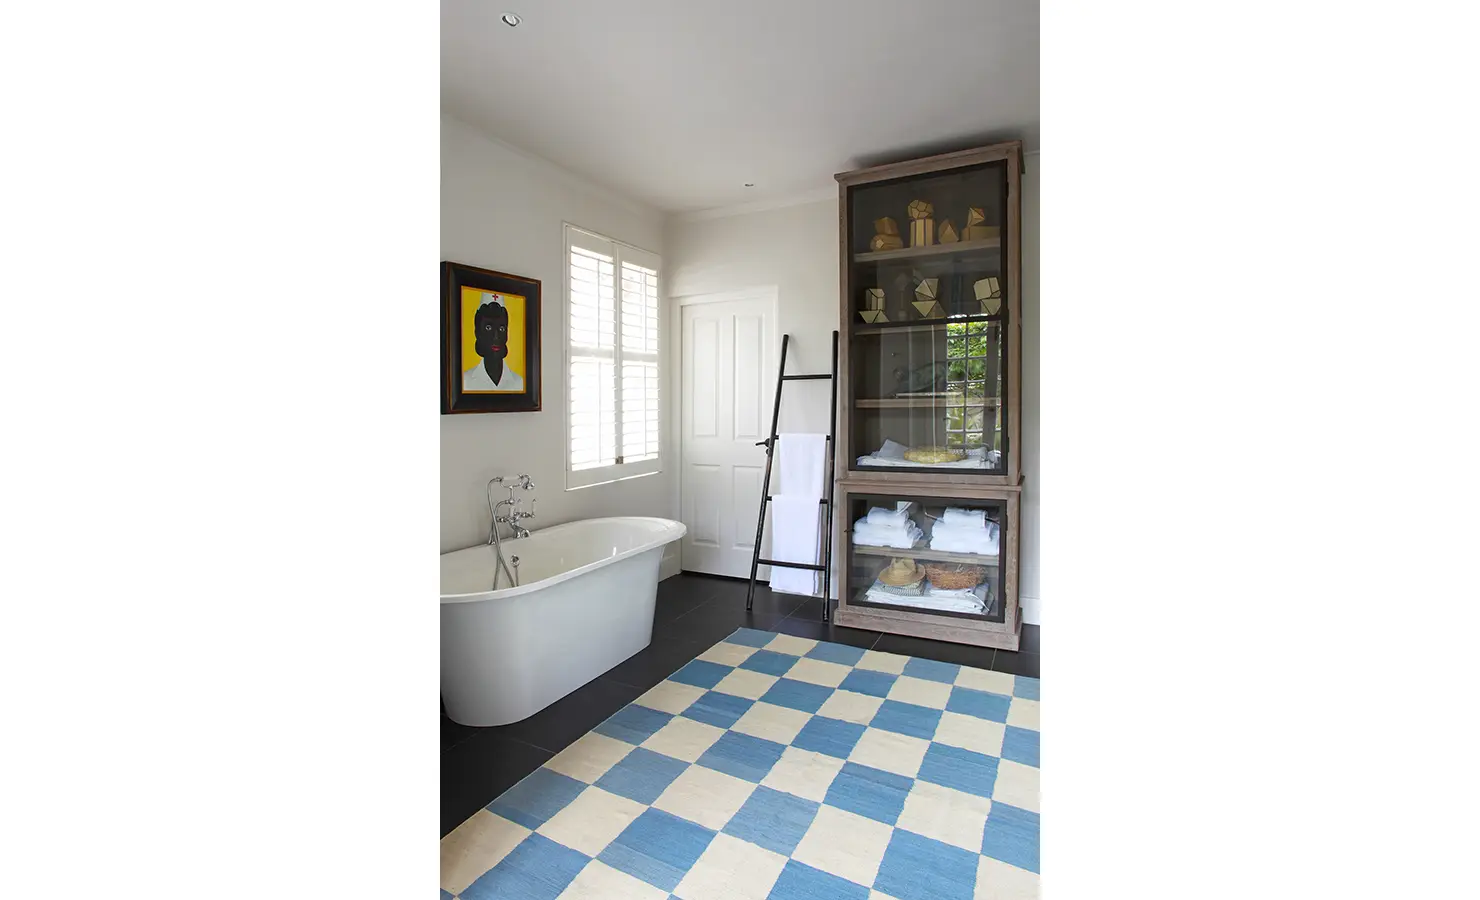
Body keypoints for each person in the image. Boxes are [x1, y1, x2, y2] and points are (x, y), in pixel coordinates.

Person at [463, 293, 524, 392]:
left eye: (501, 328)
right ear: (477, 332)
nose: (496, 337)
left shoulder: (519, 383)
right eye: (488, 328)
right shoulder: (465, 381)